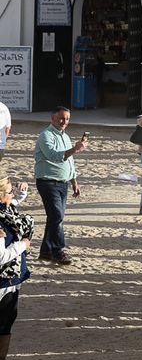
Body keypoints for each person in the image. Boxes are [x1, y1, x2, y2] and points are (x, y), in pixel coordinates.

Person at [33, 108, 87, 266]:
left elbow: (70, 162)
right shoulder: (45, 135)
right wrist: (75, 149)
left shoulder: (66, 136)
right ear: (53, 118)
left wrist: (74, 182)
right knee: (57, 216)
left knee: (55, 218)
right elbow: (54, 156)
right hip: (47, 181)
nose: (64, 122)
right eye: (61, 118)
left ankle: (45, 251)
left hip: (63, 183)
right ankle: (58, 250)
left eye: (67, 119)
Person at [0, 175, 34, 360]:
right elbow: (1, 257)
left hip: (12, 280)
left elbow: (16, 201)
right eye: (10, 191)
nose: (14, 195)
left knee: (6, 322)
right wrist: (23, 245)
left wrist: (22, 189)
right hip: (1, 281)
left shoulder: (6, 212)